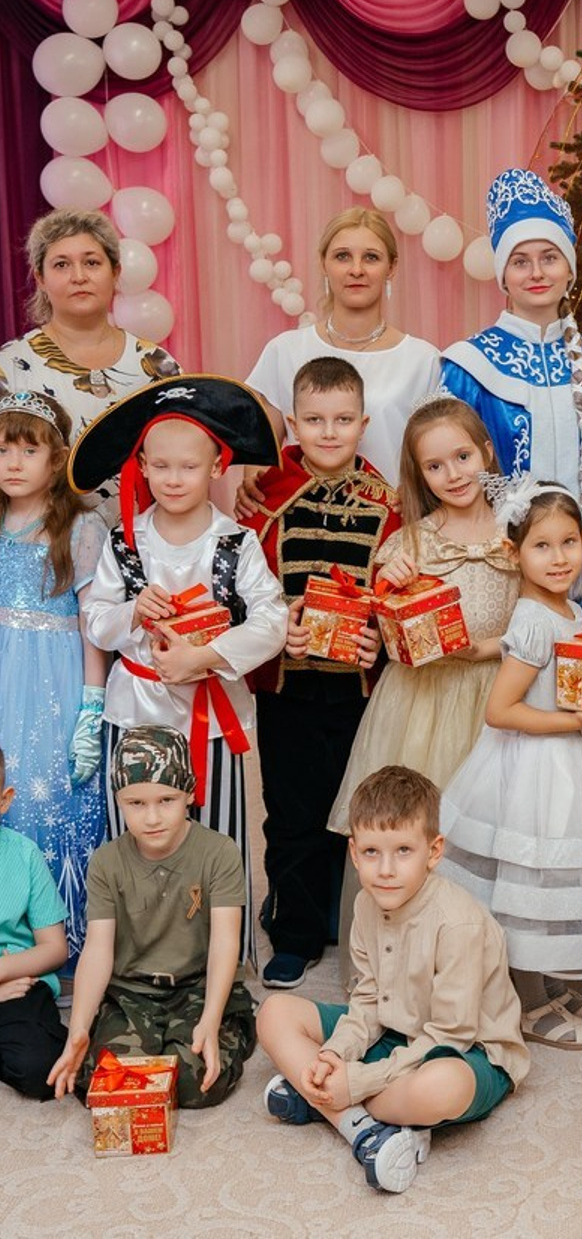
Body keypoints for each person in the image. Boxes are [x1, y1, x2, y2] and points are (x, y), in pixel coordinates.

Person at [439, 480, 582, 1049]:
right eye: (542, 546)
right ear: (516, 554)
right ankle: (528, 1003)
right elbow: (501, 710)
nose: (560, 557)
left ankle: (546, 983)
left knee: (556, 876)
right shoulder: (538, 619)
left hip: (573, 758)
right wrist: (579, 723)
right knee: (531, 882)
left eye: (569, 542)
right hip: (537, 765)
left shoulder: (562, 607)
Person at [73, 375, 289, 964]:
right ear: (141, 465)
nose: (172, 479)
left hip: (211, 720)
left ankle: (218, 962)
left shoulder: (235, 543)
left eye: (187, 467)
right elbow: (94, 622)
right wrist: (129, 613)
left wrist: (205, 657)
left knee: (215, 836)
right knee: (139, 838)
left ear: (217, 466)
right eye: (159, 466)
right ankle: (140, 962)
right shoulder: (124, 543)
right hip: (135, 714)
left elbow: (271, 619)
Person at [257, 766, 529, 1195]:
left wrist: (358, 1080)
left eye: (403, 850)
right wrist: (334, 1054)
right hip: (393, 1030)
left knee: (441, 1088)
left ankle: (328, 1102)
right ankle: (363, 1127)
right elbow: (366, 998)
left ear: (433, 851)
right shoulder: (367, 904)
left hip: (468, 1050)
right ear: (353, 852)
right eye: (371, 852)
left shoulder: (458, 924)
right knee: (273, 1013)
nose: (385, 869)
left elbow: (452, 1034)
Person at [240, 358, 400, 989]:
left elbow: (400, 596)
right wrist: (282, 628)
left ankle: (357, 926)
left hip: (360, 689)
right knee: (293, 813)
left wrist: (378, 644)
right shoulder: (265, 498)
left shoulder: (388, 502)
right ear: (293, 424)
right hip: (289, 686)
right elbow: (240, 592)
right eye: (313, 420)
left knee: (362, 812)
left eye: (341, 420)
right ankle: (296, 932)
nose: (328, 432)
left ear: (362, 424)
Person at [329, 396, 519, 832]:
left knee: (491, 824)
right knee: (420, 823)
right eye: (435, 466)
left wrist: (483, 650)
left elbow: (539, 620)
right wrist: (389, 586)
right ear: (419, 473)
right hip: (422, 704)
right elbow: (387, 628)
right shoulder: (410, 543)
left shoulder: (518, 532)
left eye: (463, 457)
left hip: (501, 692)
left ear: (487, 451)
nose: (452, 475)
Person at [47, 726, 256, 1108]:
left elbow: (227, 942)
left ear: (189, 793)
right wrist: (78, 1028)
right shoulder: (107, 862)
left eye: (166, 800)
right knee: (111, 1085)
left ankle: (233, 1024)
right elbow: (97, 950)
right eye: (136, 804)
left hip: (198, 986)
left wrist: (210, 1019)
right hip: (131, 992)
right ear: (119, 801)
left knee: (194, 1083)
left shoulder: (220, 852)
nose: (152, 817)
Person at [441, 169, 582, 628]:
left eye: (549, 258)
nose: (536, 273)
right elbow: (442, 473)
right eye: (520, 261)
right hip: (499, 571)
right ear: (502, 275)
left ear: (569, 269)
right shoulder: (468, 365)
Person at [238, 207, 442, 512]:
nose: (356, 269)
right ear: (324, 263)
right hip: (301, 530)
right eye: (342, 256)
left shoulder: (423, 360)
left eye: (371, 257)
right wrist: (252, 492)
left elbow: (437, 459)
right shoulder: (285, 351)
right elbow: (257, 467)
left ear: (392, 267)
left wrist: (416, 494)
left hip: (391, 531)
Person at [0, 392, 107, 969]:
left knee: (52, 797)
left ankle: (65, 949)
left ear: (56, 456)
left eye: (27, 449)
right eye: (1, 450)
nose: (12, 463)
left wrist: (91, 704)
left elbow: (93, 623)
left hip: (54, 681)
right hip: (2, 676)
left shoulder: (80, 527)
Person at [0, 209, 181, 515]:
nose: (79, 276)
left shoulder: (155, 365)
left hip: (140, 548)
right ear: (40, 278)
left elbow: (187, 460)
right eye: (61, 265)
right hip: (39, 548)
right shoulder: (11, 365)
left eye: (92, 262)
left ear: (115, 272)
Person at [0, 745, 70, 1101]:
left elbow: (55, 948)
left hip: (18, 983)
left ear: (4, 800)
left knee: (43, 1070)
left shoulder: (24, 854)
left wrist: (4, 970)